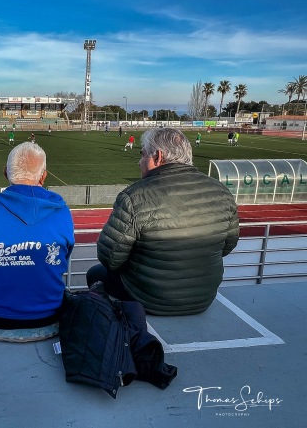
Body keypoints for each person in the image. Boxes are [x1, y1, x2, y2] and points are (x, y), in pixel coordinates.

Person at [87, 127, 239, 316]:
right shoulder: (222, 192)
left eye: (142, 155)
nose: (139, 161)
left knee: (95, 274)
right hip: (202, 299)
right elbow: (228, 245)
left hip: (147, 299)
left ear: (158, 157)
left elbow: (109, 257)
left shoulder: (134, 196)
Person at [0, 142, 75, 329]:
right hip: (50, 312)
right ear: (43, 177)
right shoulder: (62, 212)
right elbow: (62, 259)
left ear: (5, 173)